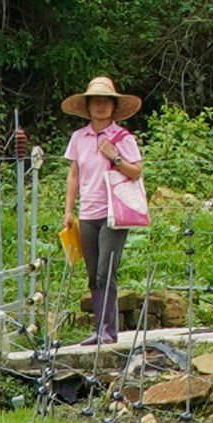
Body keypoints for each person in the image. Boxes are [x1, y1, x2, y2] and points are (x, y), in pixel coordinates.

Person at [60, 76, 149, 340]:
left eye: (105, 101)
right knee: (92, 274)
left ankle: (108, 331)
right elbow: (73, 175)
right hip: (87, 214)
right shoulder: (78, 137)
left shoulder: (123, 138)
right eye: (95, 102)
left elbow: (136, 172)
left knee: (105, 272)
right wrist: (68, 210)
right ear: (87, 107)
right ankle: (100, 329)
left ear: (113, 106)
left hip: (114, 214)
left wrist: (115, 155)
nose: (100, 106)